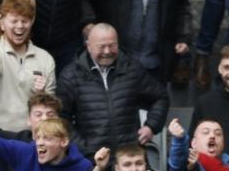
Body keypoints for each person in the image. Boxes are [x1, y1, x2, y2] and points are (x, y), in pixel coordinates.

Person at [56, 23, 169, 158]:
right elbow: (61, 119)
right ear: (88, 46)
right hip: (92, 160)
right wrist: (83, 148)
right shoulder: (71, 75)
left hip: (129, 158)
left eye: (112, 45)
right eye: (101, 46)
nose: (107, 51)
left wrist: (151, 126)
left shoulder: (132, 69)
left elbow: (161, 97)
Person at [0, 0, 55, 132]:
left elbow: (52, 108)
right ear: (2, 24)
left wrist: (42, 93)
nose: (20, 26)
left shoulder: (45, 58)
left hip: (31, 136)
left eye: (25, 21)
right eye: (14, 21)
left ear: (31, 23)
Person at [85, 0, 191, 83]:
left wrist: (183, 36)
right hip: (114, 59)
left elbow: (182, 4)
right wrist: (88, 22)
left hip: (156, 63)